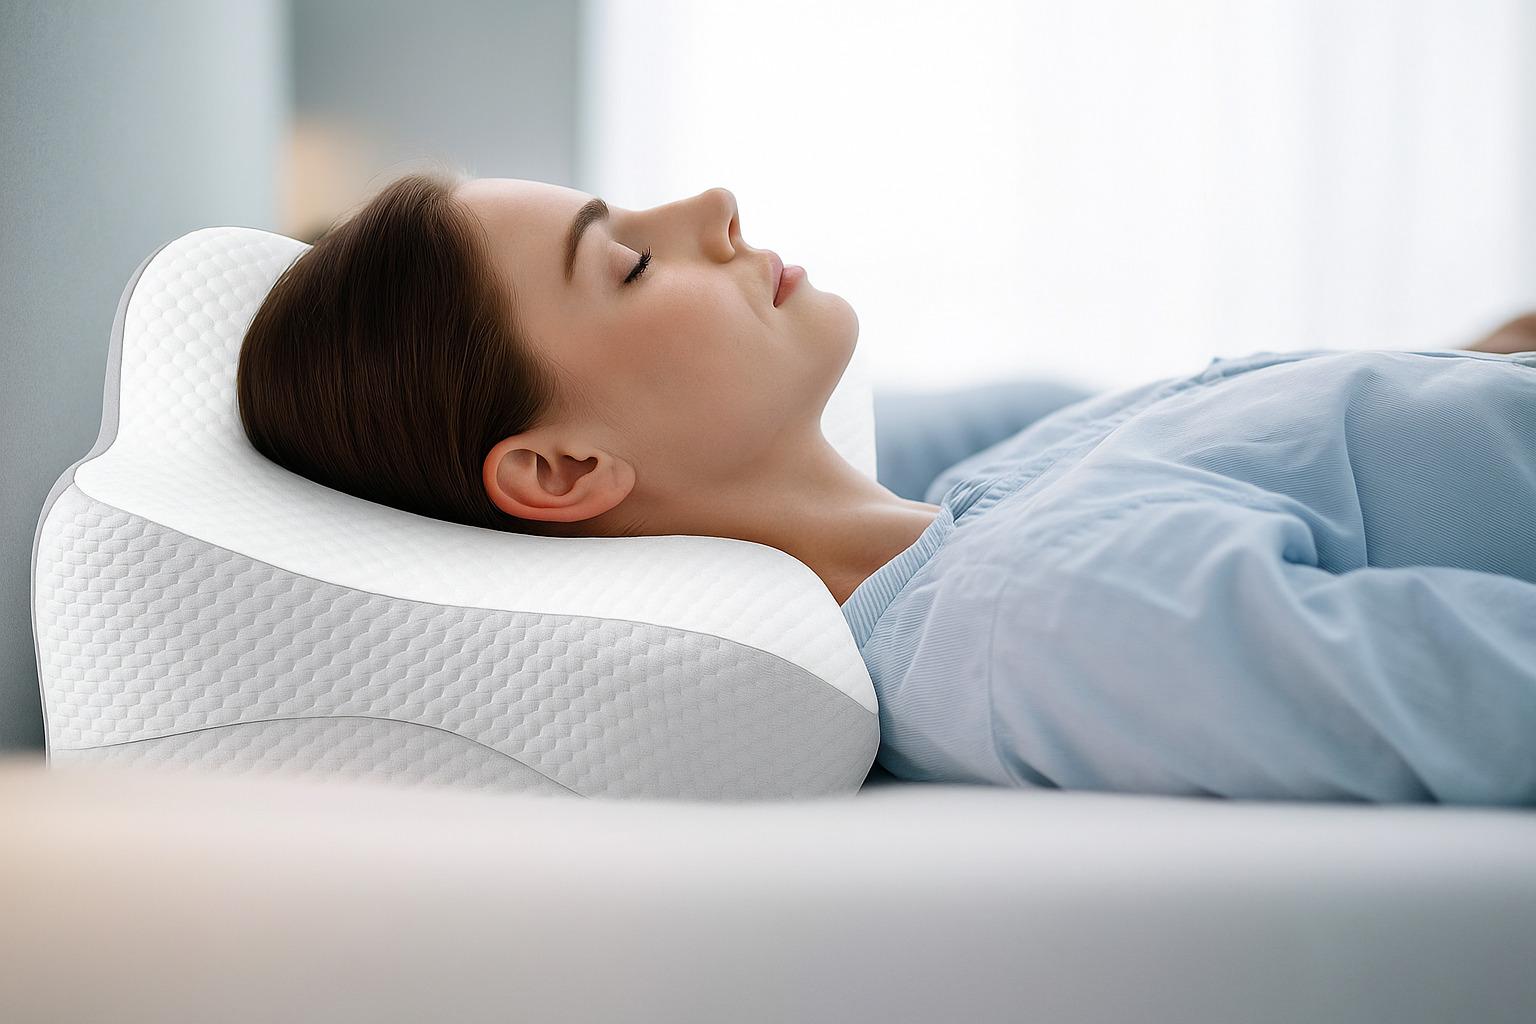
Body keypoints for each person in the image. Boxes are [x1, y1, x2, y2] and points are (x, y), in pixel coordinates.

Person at [238, 170, 1536, 805]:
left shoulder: (988, 493)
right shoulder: (1037, 619)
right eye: (626, 262)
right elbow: (1481, 694)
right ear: (565, 468)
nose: (712, 203)